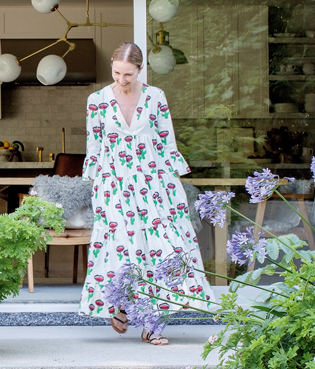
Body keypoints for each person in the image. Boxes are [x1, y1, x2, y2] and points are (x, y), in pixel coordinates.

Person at [80, 42, 215, 345]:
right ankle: (123, 305)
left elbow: (167, 141)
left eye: (128, 74)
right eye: (117, 72)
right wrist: (97, 187)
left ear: (141, 70)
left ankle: (152, 322)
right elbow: (94, 147)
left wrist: (173, 187)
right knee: (121, 248)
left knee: (161, 248)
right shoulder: (97, 100)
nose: (122, 80)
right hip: (113, 183)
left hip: (153, 182)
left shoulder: (155, 97)